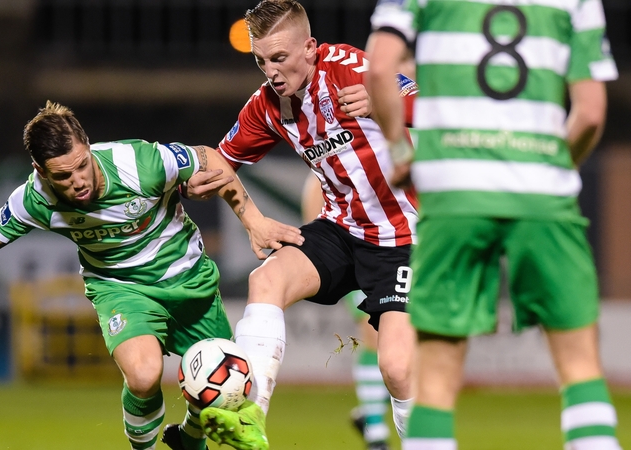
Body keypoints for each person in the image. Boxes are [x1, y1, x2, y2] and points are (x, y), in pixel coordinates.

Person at [0, 101, 304, 450]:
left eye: (82, 165)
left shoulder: (139, 162)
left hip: (189, 279)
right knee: (143, 374)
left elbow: (211, 159)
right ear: (42, 173)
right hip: (121, 288)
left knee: (223, 389)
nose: (78, 181)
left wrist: (254, 220)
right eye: (63, 175)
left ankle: (189, 439)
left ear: (88, 146)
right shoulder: (35, 199)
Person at [366, 0, 622, 449]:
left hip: (453, 195)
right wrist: (555, 175)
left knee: (437, 381)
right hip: (542, 193)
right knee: (580, 370)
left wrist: (401, 153)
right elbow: (591, 112)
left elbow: (379, 69)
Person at [185, 1, 421, 449]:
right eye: (260, 61)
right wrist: (249, 217)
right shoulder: (268, 106)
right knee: (267, 279)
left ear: (310, 48)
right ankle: (249, 415)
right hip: (341, 228)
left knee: (397, 368)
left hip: (404, 237)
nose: (271, 71)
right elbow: (219, 162)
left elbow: (436, 107)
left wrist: (383, 102)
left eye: (280, 58)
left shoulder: (352, 68)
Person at [302, 173, 392, 450]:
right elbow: (314, 218)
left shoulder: (378, 156)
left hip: (393, 253)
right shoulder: (324, 170)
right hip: (357, 259)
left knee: (407, 347)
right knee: (374, 334)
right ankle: (375, 431)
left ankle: (370, 408)